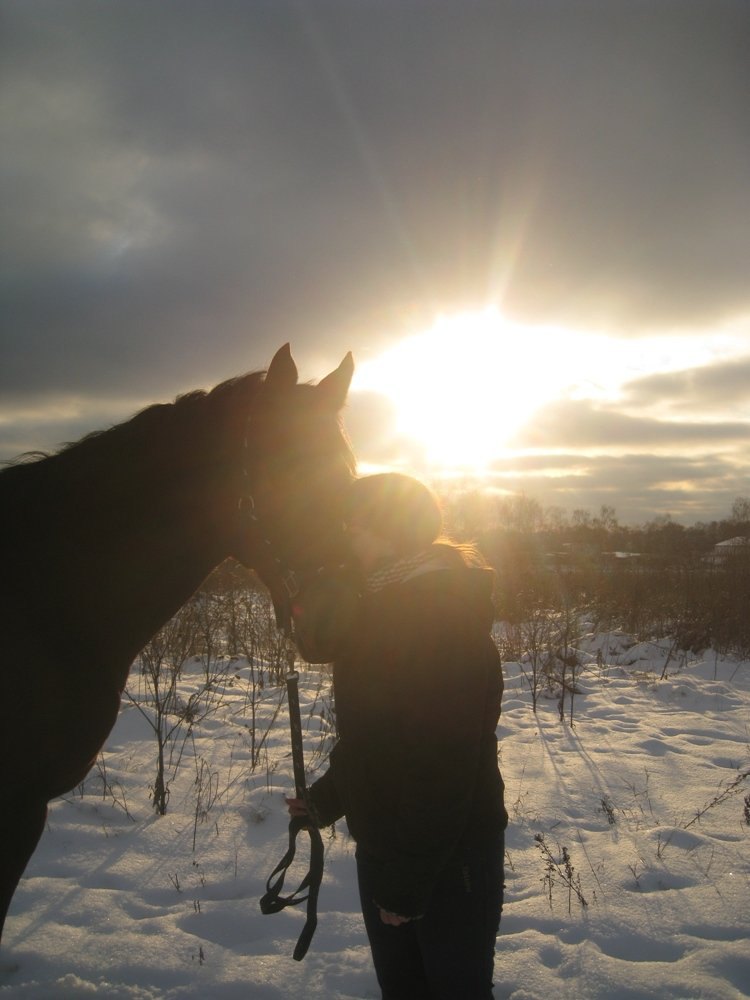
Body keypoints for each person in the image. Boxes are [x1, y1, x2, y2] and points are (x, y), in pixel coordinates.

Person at [287, 472, 507, 999]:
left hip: (447, 857)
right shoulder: (379, 614)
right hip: (390, 846)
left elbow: (444, 763)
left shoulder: (442, 621)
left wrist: (410, 880)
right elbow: (378, 737)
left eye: (352, 527)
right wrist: (328, 798)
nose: (343, 541)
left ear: (389, 532)